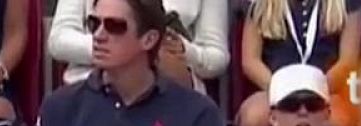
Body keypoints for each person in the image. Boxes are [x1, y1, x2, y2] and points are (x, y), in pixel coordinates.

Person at [37, 0, 228, 126]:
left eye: (115, 26)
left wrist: (181, 50)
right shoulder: (59, 108)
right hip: (85, 91)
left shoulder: (200, 114)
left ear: (149, 39)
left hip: (175, 86)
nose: (98, 35)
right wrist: (118, 51)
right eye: (93, 24)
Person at [236, 0, 361, 126]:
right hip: (273, 90)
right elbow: (250, 61)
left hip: (326, 91)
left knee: (341, 122)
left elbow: (348, 61)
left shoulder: (348, 3)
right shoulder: (259, 4)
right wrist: (280, 91)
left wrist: (318, 91)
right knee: (253, 119)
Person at [49, 0, 228, 89]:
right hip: (90, 82)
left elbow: (217, 57)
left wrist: (185, 50)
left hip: (172, 80)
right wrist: (122, 46)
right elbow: (59, 40)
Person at [267, 61, 335, 126]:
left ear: (327, 114)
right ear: (273, 117)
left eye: (312, 105)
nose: (303, 112)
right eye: (291, 105)